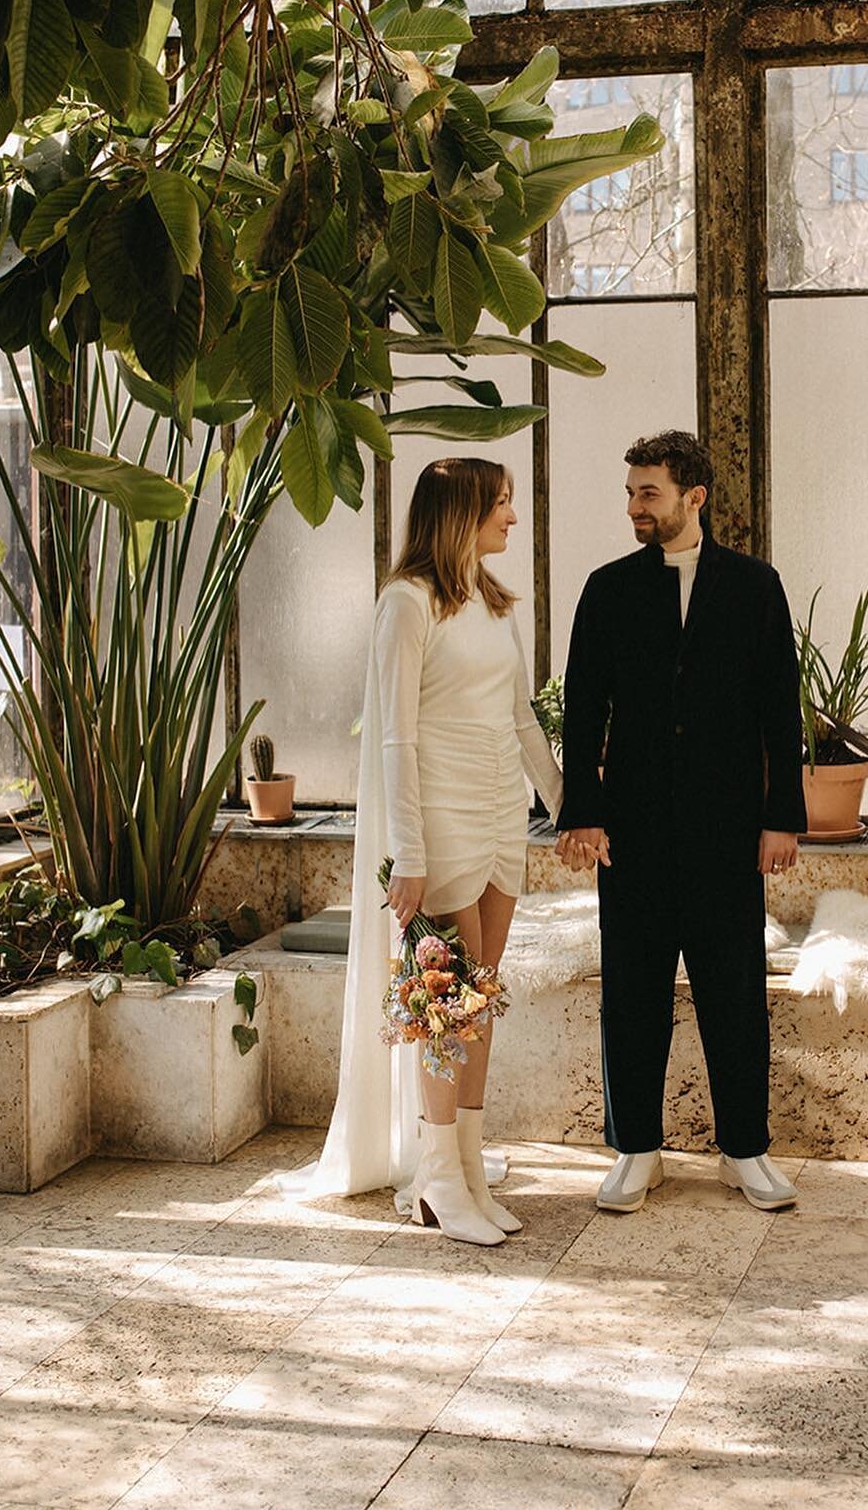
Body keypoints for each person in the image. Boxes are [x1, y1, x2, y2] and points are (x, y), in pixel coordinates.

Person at [280, 457, 562, 1245]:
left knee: (481, 999)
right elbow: (396, 735)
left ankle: (465, 1166)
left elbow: (525, 721)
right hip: (436, 823)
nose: (512, 517)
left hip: (502, 813)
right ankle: (437, 1177)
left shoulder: (498, 603)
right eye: (501, 504)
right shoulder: (405, 604)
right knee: (449, 1007)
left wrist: (573, 807)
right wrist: (409, 852)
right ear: (461, 512)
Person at [556, 430, 807, 1213]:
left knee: (734, 991)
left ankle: (745, 1150)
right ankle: (636, 1149)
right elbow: (583, 706)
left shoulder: (757, 588)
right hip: (629, 831)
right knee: (631, 990)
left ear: (694, 497)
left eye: (649, 493)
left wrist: (782, 819)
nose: (635, 506)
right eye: (631, 493)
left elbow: (780, 712)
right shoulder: (606, 589)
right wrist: (582, 814)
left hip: (728, 831)